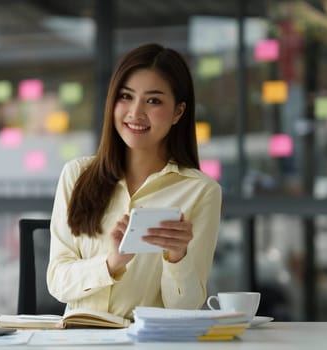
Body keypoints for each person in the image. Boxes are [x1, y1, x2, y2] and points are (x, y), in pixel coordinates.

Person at [46, 43, 222, 319]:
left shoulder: (200, 191)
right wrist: (112, 262)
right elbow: (57, 281)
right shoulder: (76, 175)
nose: (135, 113)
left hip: (147, 342)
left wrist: (178, 257)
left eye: (153, 101)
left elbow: (186, 308)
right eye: (126, 96)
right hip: (79, 340)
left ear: (178, 112)